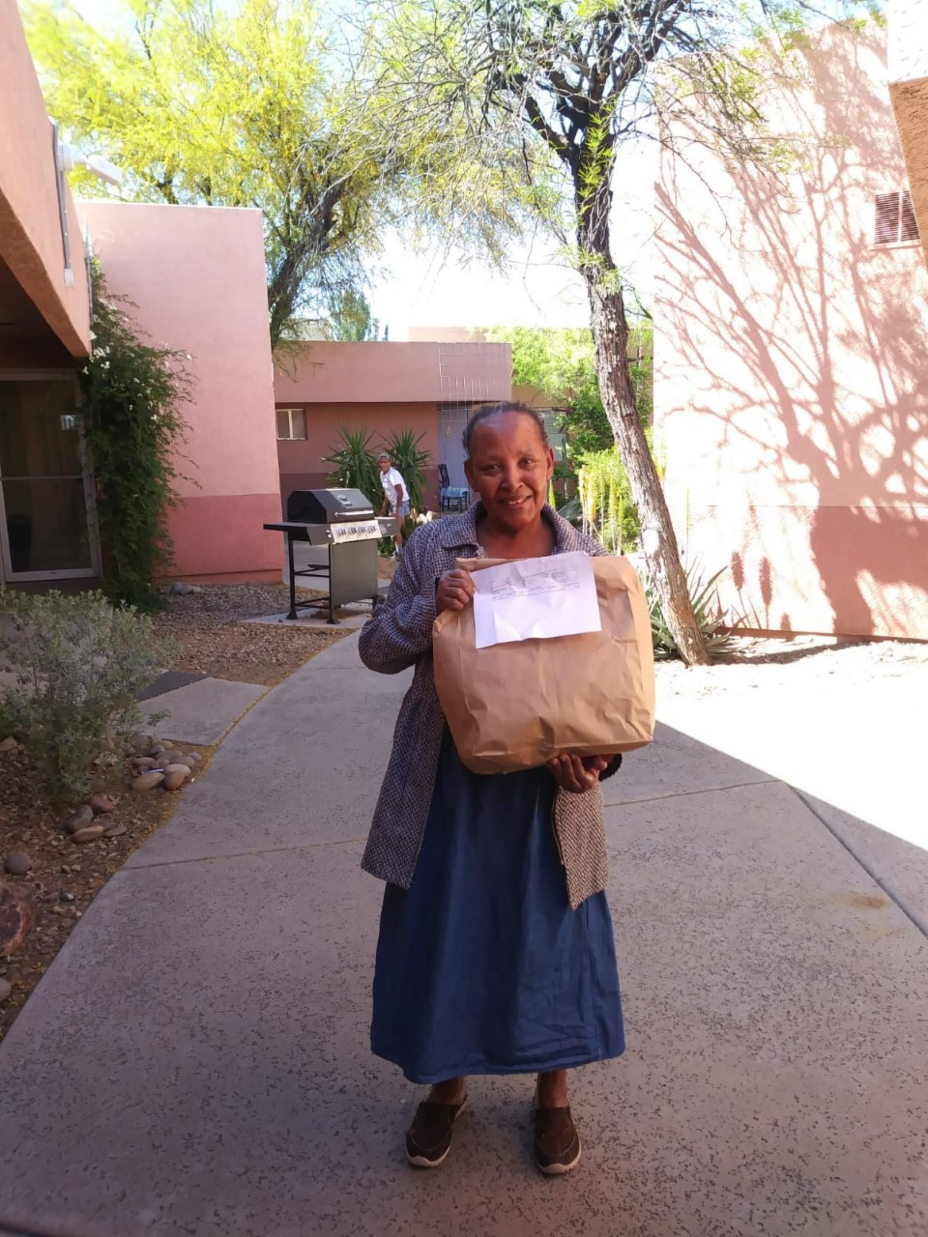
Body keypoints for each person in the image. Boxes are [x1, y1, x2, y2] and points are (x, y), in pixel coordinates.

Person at [358, 402, 625, 1176]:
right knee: (450, 932)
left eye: (525, 461)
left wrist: (600, 762)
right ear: (467, 474)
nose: (511, 480)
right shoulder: (436, 546)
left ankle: (553, 1095)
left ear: (550, 463)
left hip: (547, 792)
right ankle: (445, 1087)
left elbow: (606, 683)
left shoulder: (585, 556)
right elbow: (375, 648)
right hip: (450, 784)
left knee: (551, 936)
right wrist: (424, 608)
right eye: (490, 465)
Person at [378, 453, 408, 555]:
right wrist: (384, 508)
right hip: (393, 503)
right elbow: (387, 491)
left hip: (401, 503)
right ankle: (398, 552)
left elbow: (400, 492)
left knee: (395, 528)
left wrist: (396, 509)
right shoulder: (382, 474)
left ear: (390, 462)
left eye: (385, 462)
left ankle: (400, 554)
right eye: (381, 462)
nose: (383, 464)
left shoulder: (393, 474)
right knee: (393, 530)